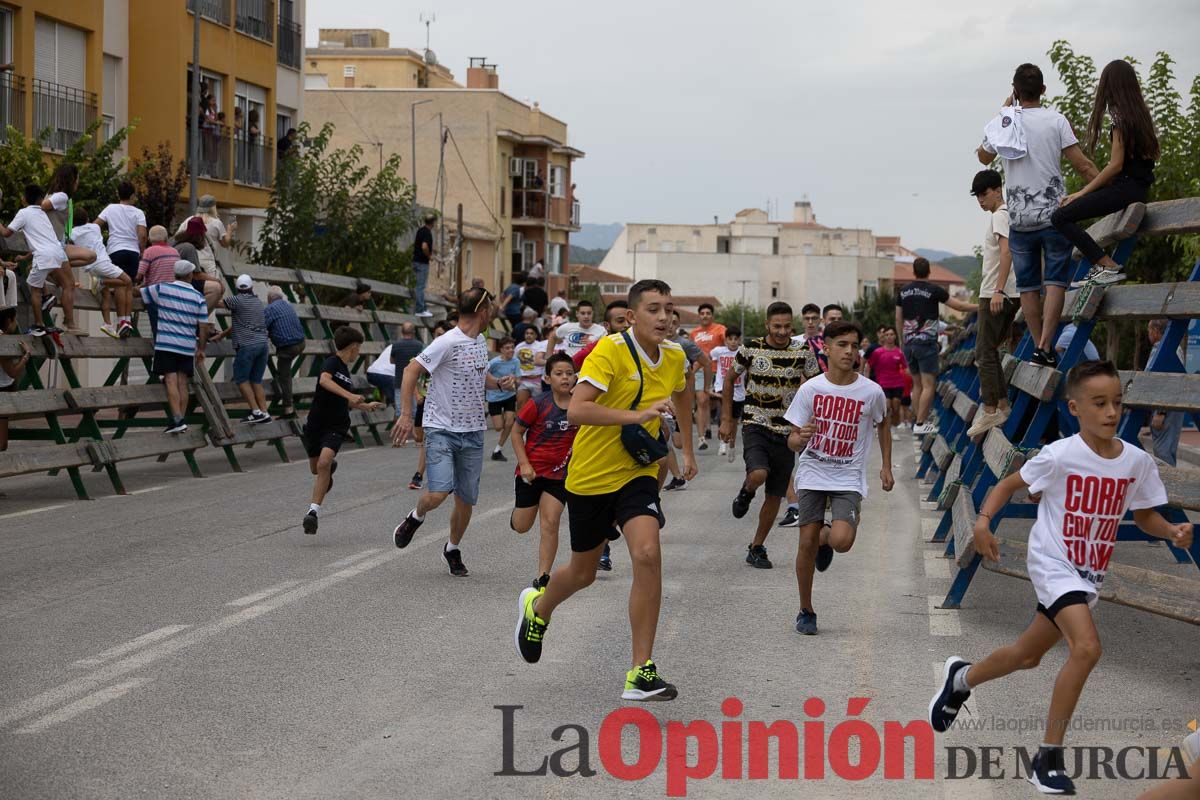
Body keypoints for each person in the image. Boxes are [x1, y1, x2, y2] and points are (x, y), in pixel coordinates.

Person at [930, 360, 1191, 795]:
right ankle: (1047, 756)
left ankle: (961, 679)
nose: (1111, 412)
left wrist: (1171, 531)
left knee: (1025, 655)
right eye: (1099, 403)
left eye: (1117, 403)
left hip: (1089, 573)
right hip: (1053, 563)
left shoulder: (1136, 462)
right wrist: (982, 523)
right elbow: (1007, 485)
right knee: (1087, 648)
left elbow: (1145, 515)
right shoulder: (1060, 454)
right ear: (1075, 408)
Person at [515, 279, 697, 703]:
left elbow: (682, 396)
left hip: (636, 473)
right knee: (583, 572)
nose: (665, 317)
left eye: (669, 309)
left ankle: (640, 671)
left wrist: (686, 447)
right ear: (632, 317)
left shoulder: (673, 356)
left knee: (648, 554)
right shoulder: (610, 350)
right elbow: (577, 409)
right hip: (590, 477)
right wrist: (635, 416)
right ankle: (537, 610)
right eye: (654, 309)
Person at [978, 63, 1099, 368]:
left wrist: (1003, 113)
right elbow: (1082, 165)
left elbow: (983, 156)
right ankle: (1046, 343)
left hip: (1019, 219)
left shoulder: (1007, 123)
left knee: (1028, 286)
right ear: (1043, 90)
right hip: (1054, 214)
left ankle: (1039, 349)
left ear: (1015, 92)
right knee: (1056, 280)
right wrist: (1104, 190)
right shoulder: (1057, 121)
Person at [392, 288, 512, 576]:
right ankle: (415, 516)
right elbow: (411, 370)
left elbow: (479, 374)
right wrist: (407, 415)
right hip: (442, 428)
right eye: (492, 308)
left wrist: (497, 384)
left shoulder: (481, 340)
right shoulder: (446, 342)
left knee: (466, 499)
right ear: (484, 311)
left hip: (472, 431)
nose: (494, 312)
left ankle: (452, 548)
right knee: (439, 492)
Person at [785, 321, 892, 635]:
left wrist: (886, 465)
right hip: (813, 473)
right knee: (805, 542)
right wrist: (800, 437)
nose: (849, 351)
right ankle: (806, 610)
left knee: (842, 541)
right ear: (826, 348)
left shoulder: (871, 392)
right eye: (842, 344)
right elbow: (792, 439)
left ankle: (825, 536)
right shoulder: (811, 389)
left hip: (848, 476)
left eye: (854, 345)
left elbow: (883, 423)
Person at [722, 301, 821, 569]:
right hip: (756, 423)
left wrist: (812, 422)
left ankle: (756, 547)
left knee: (775, 495)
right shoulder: (751, 348)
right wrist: (727, 419)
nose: (782, 331)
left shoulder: (802, 350)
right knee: (758, 473)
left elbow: (816, 385)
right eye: (777, 326)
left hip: (788, 430)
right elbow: (730, 378)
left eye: (787, 326)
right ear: (767, 325)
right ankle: (746, 491)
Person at [1052, 59, 1158, 288]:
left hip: (1125, 189)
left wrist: (1082, 192)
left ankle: (1107, 266)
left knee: (1060, 217)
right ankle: (1105, 266)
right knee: (1066, 214)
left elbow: (1115, 165)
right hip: (1138, 189)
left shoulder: (1120, 120)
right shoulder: (1141, 117)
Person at [301, 326, 384, 535]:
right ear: (354, 347)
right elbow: (324, 381)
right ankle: (328, 470)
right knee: (316, 469)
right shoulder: (332, 362)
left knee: (323, 463)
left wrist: (365, 405)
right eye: (359, 349)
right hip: (316, 423)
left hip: (336, 424)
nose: (358, 354)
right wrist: (350, 396)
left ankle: (312, 513)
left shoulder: (345, 371)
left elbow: (345, 399)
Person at [510, 352, 580, 589]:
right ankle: (516, 517)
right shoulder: (538, 403)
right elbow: (516, 432)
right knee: (522, 526)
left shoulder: (581, 406)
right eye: (559, 374)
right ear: (548, 378)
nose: (565, 378)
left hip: (560, 476)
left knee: (550, 522)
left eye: (569, 374)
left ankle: (543, 577)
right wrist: (524, 463)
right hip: (531, 473)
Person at [896, 257, 977, 434]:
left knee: (917, 385)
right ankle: (920, 423)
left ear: (914, 271)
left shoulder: (903, 291)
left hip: (909, 343)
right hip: (926, 343)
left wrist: (902, 342)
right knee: (928, 385)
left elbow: (898, 318)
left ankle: (917, 423)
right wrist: (980, 307)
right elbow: (960, 306)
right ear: (929, 272)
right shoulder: (934, 290)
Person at [969, 170, 1019, 439]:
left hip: (996, 292)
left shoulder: (1001, 214)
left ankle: (990, 410)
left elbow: (1006, 251)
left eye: (984, 193)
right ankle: (1001, 404)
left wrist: (999, 290)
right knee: (988, 350)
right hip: (996, 291)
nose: (980, 200)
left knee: (984, 352)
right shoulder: (1000, 215)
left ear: (997, 190)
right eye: (977, 195)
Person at [0, 184, 83, 335]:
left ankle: (39, 324)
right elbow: (41, 241)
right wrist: (25, 257)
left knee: (34, 290)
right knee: (43, 276)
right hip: (57, 254)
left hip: (44, 256)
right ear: (40, 200)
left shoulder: (23, 213)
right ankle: (49, 298)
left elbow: (6, 233)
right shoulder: (43, 214)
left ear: (24, 199)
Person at [139, 259, 209, 434]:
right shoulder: (199, 297)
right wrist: (201, 349)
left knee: (170, 380)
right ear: (190, 275)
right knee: (182, 383)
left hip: (166, 343)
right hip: (186, 345)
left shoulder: (163, 288)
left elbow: (141, 294)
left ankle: (177, 420)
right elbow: (203, 326)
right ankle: (181, 419)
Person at [212, 275, 272, 423]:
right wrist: (222, 335)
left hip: (247, 346)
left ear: (238, 289)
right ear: (251, 287)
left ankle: (255, 411)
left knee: (241, 379)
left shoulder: (236, 300)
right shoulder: (257, 302)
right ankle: (265, 413)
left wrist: (212, 291)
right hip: (262, 346)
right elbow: (240, 322)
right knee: (256, 381)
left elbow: (215, 303)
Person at [69, 206, 135, 339]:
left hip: (90, 266)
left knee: (105, 294)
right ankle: (102, 282)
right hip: (102, 262)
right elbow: (98, 223)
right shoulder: (95, 228)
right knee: (127, 281)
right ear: (87, 219)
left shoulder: (72, 233)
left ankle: (107, 324)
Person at [40, 163, 98, 271]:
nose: (78, 182)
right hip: (56, 247)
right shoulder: (62, 196)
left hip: (54, 245)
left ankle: (58, 267)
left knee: (91, 257)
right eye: (77, 179)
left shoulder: (51, 194)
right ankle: (58, 266)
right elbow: (43, 206)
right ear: (71, 181)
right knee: (91, 257)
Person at [263, 286, 306, 418]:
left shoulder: (270, 309)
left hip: (288, 347)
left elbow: (260, 327)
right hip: (301, 343)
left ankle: (288, 409)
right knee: (284, 373)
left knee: (285, 377)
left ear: (269, 299)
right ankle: (287, 404)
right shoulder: (288, 306)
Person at [1146, 319, 1184, 467]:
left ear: (1156, 331)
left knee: (1163, 451)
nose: (1148, 335)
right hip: (1171, 405)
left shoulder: (1162, 349)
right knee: (1166, 448)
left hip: (1165, 406)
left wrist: (1160, 412)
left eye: (1149, 331)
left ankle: (1166, 487)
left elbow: (1167, 380)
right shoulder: (1175, 348)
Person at [96, 180, 147, 283]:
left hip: (115, 249)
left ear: (117, 194)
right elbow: (142, 235)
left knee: (119, 283)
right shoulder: (139, 213)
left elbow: (95, 225)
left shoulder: (110, 208)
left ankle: (100, 282)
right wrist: (142, 251)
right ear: (132, 195)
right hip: (133, 252)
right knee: (129, 283)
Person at [689, 302, 725, 446]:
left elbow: (729, 342)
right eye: (702, 313)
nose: (705, 316)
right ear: (699, 316)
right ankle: (702, 436)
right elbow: (691, 353)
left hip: (719, 370)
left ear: (712, 316)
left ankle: (717, 428)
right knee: (702, 401)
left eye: (708, 313)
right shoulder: (694, 333)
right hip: (700, 371)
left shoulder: (720, 329)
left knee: (715, 402)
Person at [709, 325, 744, 461]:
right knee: (724, 417)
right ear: (726, 340)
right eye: (731, 339)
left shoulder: (743, 352)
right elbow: (706, 359)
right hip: (722, 389)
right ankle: (722, 443)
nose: (733, 341)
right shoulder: (718, 351)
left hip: (739, 391)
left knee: (734, 421)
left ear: (739, 340)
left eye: (736, 339)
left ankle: (732, 445)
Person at [0, 308, 33, 450]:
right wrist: (25, 356)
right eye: (15, 319)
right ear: (9, 320)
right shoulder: (3, 341)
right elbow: (12, 372)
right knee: (1, 444)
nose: (17, 323)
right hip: (2, 390)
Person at [487, 337, 521, 461]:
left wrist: (514, 379)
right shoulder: (494, 363)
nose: (510, 350)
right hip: (494, 397)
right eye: (507, 348)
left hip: (509, 396)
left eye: (512, 347)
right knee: (498, 427)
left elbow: (519, 380)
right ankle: (495, 414)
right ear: (501, 349)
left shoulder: (516, 361)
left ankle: (498, 449)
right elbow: (484, 376)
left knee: (510, 423)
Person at [866, 326, 908, 428]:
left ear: (895, 337)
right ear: (883, 337)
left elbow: (906, 368)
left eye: (891, 334)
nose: (889, 337)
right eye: (887, 335)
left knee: (896, 406)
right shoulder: (878, 352)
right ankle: (887, 429)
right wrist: (866, 381)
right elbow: (869, 365)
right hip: (883, 383)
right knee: (887, 405)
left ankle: (894, 426)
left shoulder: (899, 352)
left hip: (898, 383)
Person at [514, 325, 547, 409]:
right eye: (527, 333)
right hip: (523, 380)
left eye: (532, 333)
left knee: (537, 406)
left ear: (536, 335)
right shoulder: (519, 347)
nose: (529, 335)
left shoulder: (540, 346)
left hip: (537, 380)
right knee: (521, 405)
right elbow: (514, 362)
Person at [412, 215, 436, 318]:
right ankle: (420, 309)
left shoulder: (420, 230)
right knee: (420, 286)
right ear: (433, 223)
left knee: (419, 285)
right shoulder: (427, 232)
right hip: (422, 262)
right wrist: (429, 255)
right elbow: (424, 246)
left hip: (416, 261)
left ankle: (423, 308)